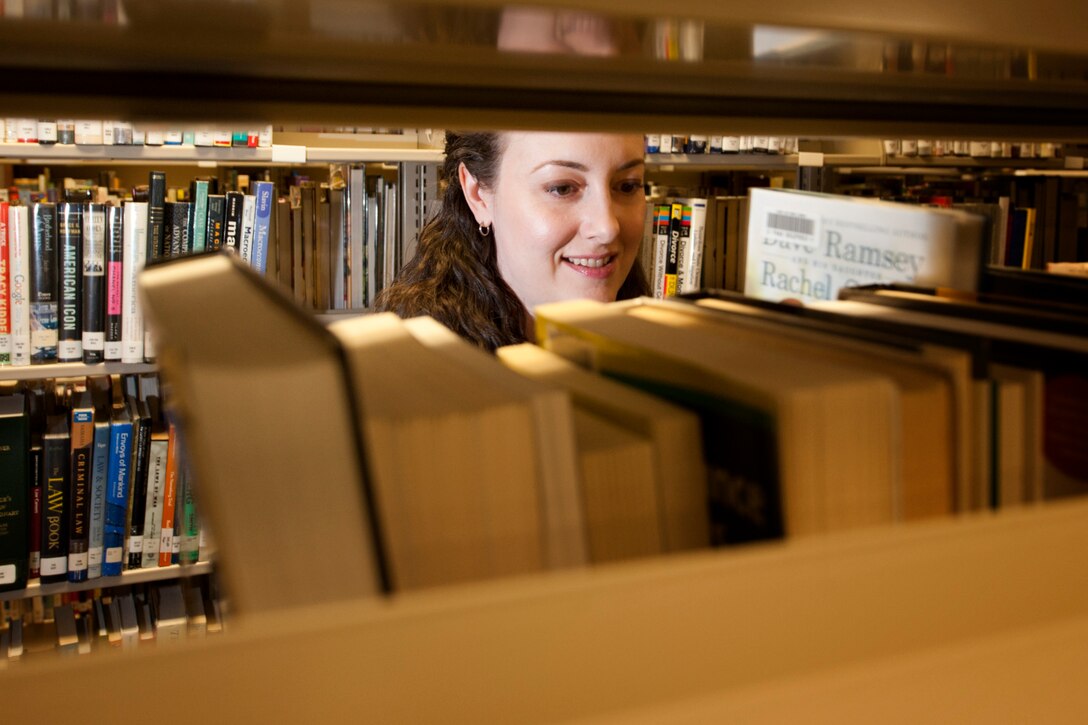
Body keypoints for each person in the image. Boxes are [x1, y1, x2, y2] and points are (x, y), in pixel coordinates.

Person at [374, 130, 650, 351]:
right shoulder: (423, 368)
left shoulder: (656, 345)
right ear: (478, 195)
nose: (607, 228)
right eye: (562, 188)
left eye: (628, 186)